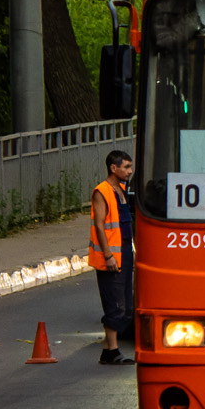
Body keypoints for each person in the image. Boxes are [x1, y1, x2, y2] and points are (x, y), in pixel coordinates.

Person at [90, 149, 136, 365]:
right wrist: (108, 255)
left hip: (125, 253)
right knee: (115, 304)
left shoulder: (122, 189)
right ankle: (112, 350)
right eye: (126, 167)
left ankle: (110, 350)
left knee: (126, 306)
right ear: (113, 168)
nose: (130, 171)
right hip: (111, 257)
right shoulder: (102, 191)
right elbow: (99, 226)